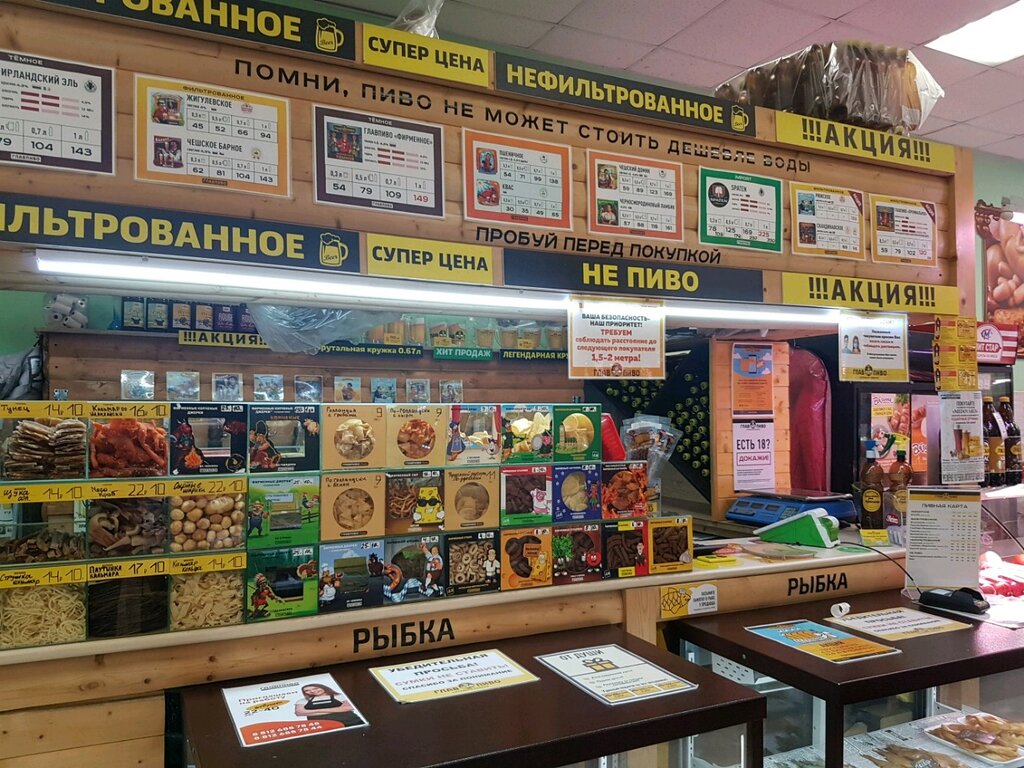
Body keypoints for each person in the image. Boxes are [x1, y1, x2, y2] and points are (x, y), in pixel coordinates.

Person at [294, 683, 364, 727]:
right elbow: (299, 713)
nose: (312, 691)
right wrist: (338, 709)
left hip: (351, 722)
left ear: (323, 687)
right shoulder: (302, 700)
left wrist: (313, 711)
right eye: (307, 690)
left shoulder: (340, 696)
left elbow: (349, 708)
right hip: (322, 726)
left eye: (315, 688)